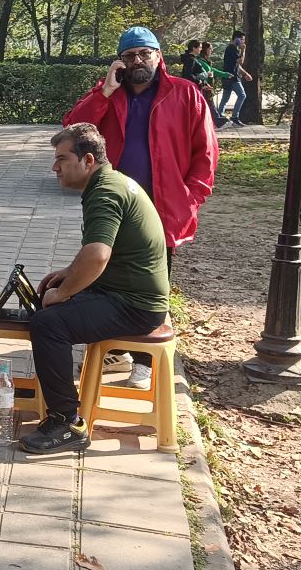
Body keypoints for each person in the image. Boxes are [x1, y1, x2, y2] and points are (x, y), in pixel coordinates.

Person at [62, 27, 217, 389]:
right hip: (112, 206)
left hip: (163, 211)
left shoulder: (185, 93)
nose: (137, 61)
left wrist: (191, 199)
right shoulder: (109, 95)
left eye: (145, 54)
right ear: (120, 62)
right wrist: (103, 93)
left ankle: (145, 363)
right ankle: (114, 351)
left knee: (151, 288)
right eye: (129, 56)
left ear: (158, 56)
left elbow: (206, 152)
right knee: (103, 278)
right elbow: (72, 130)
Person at [19, 124, 169, 454]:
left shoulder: (105, 192)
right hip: (125, 294)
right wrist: (68, 275)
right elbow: (101, 253)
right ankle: (48, 392)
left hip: (136, 306)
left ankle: (66, 423)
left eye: (62, 159)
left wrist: (64, 293)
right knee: (47, 304)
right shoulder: (110, 182)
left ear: (88, 160)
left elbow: (98, 255)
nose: (55, 167)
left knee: (48, 324)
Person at [216, 31, 253, 128]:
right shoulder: (231, 48)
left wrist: (245, 74)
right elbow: (240, 62)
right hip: (232, 77)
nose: (243, 42)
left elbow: (237, 66)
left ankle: (219, 118)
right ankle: (234, 117)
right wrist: (243, 50)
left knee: (225, 98)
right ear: (236, 39)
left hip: (230, 77)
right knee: (242, 95)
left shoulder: (233, 49)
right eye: (242, 39)